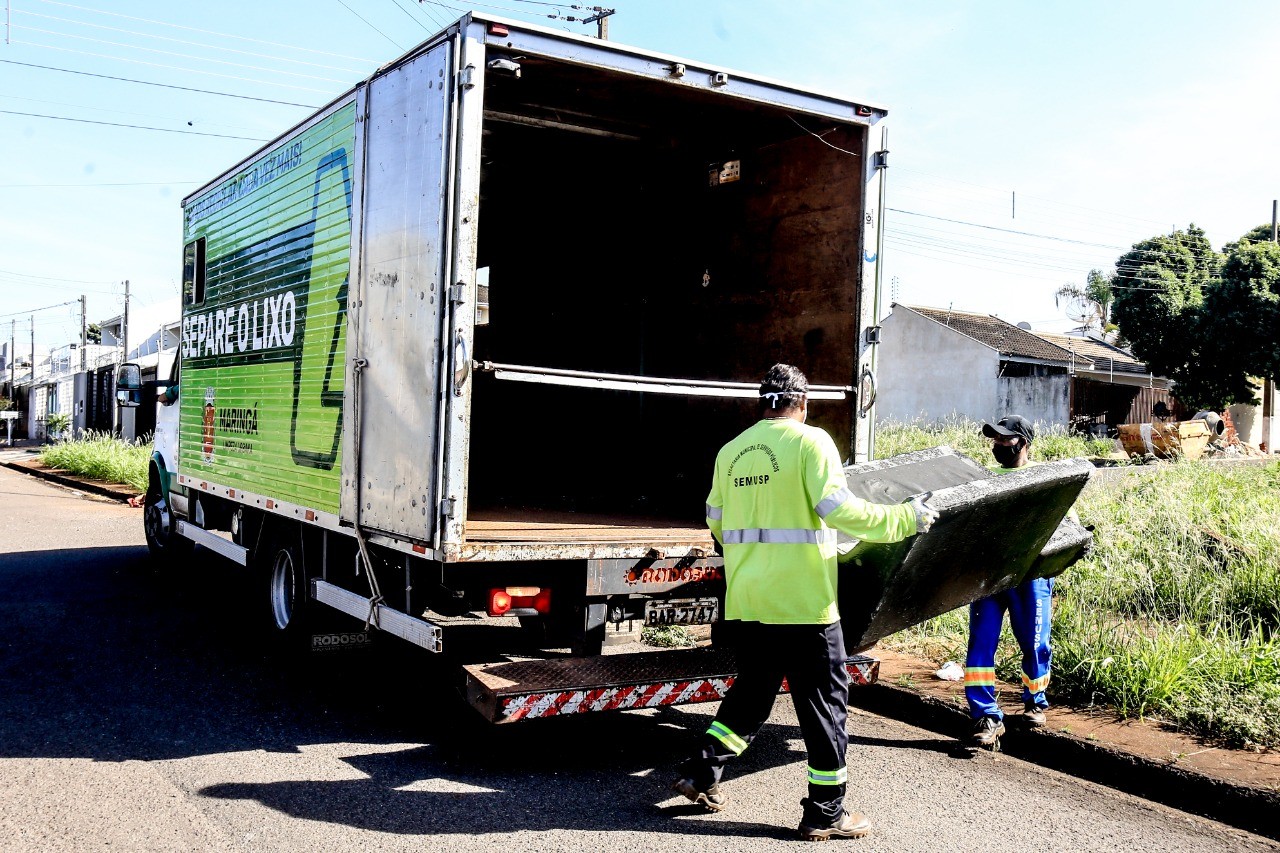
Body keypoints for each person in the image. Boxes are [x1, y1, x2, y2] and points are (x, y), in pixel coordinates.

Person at [671, 363, 938, 841]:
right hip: (804, 605)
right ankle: (826, 812)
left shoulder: (730, 453)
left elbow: (715, 520)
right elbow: (841, 510)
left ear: (762, 402)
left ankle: (701, 773)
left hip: (751, 600)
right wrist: (906, 519)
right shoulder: (811, 442)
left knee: (752, 697)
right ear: (803, 402)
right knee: (825, 707)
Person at [965, 415, 1055, 747]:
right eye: (996, 440)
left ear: (1024, 443)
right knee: (980, 646)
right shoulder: (982, 479)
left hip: (1030, 576)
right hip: (987, 578)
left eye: (1007, 439)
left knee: (1034, 641)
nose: (1000, 445)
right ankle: (986, 715)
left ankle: (1035, 701)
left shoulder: (1045, 479)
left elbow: (1063, 527)